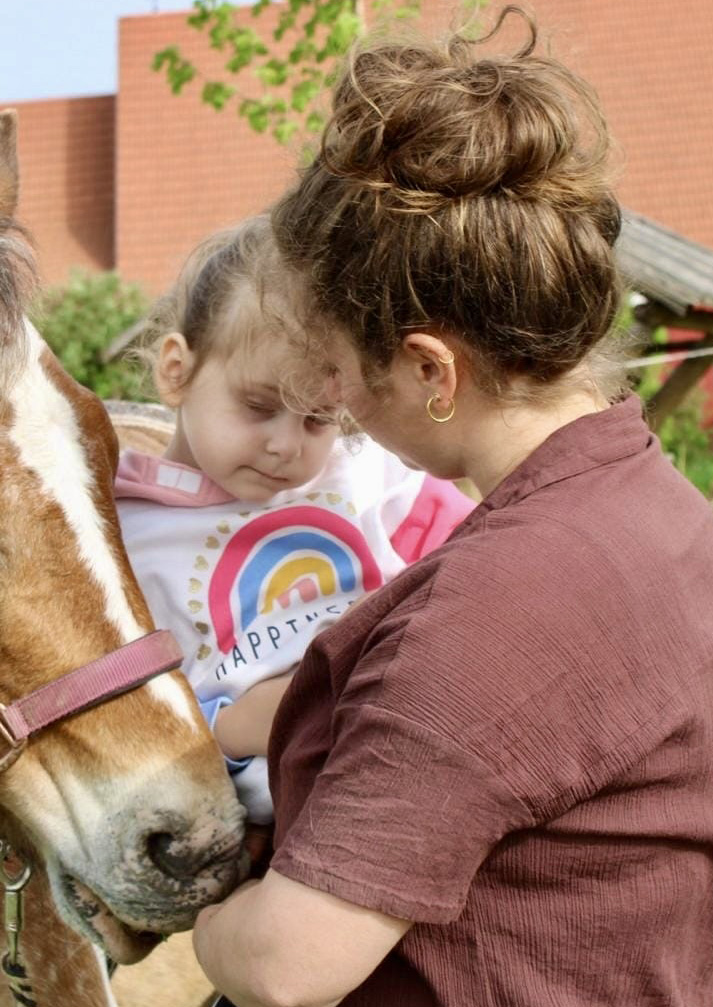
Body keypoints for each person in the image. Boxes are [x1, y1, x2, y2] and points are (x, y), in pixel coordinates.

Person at [190, 10, 713, 1007]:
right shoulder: (652, 502)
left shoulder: (496, 606)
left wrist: (201, 913)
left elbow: (289, 964)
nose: (341, 411)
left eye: (339, 374)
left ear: (428, 369)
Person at [114, 216, 473, 823]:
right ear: (177, 371)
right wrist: (233, 728)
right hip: (285, 821)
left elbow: (488, 557)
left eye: (317, 418)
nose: (287, 445)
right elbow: (128, 724)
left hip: (420, 757)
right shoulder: (122, 537)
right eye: (258, 407)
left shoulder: (364, 473)